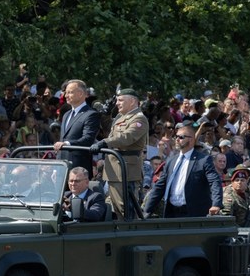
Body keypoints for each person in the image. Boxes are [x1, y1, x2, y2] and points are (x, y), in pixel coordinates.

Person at [90, 88, 148, 220]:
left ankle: (131, 237)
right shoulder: (121, 117)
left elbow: (126, 137)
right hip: (114, 170)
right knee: (115, 209)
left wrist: (104, 142)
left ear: (132, 101)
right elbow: (107, 128)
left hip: (126, 171)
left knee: (127, 210)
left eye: (121, 100)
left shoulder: (139, 119)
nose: (117, 103)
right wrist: (105, 113)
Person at [144, 125, 223, 218]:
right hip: (172, 213)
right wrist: (146, 210)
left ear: (191, 140)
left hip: (194, 214)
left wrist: (216, 204)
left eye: (181, 137)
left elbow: (214, 181)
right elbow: (159, 187)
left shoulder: (203, 160)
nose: (177, 139)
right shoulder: (171, 161)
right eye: (176, 136)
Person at [54, 80, 101, 178]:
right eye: (66, 92)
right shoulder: (66, 115)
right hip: (62, 167)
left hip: (79, 169)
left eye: (70, 92)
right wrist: (57, 166)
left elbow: (88, 139)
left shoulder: (91, 114)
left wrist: (67, 144)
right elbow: (62, 139)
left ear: (80, 94)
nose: (66, 95)